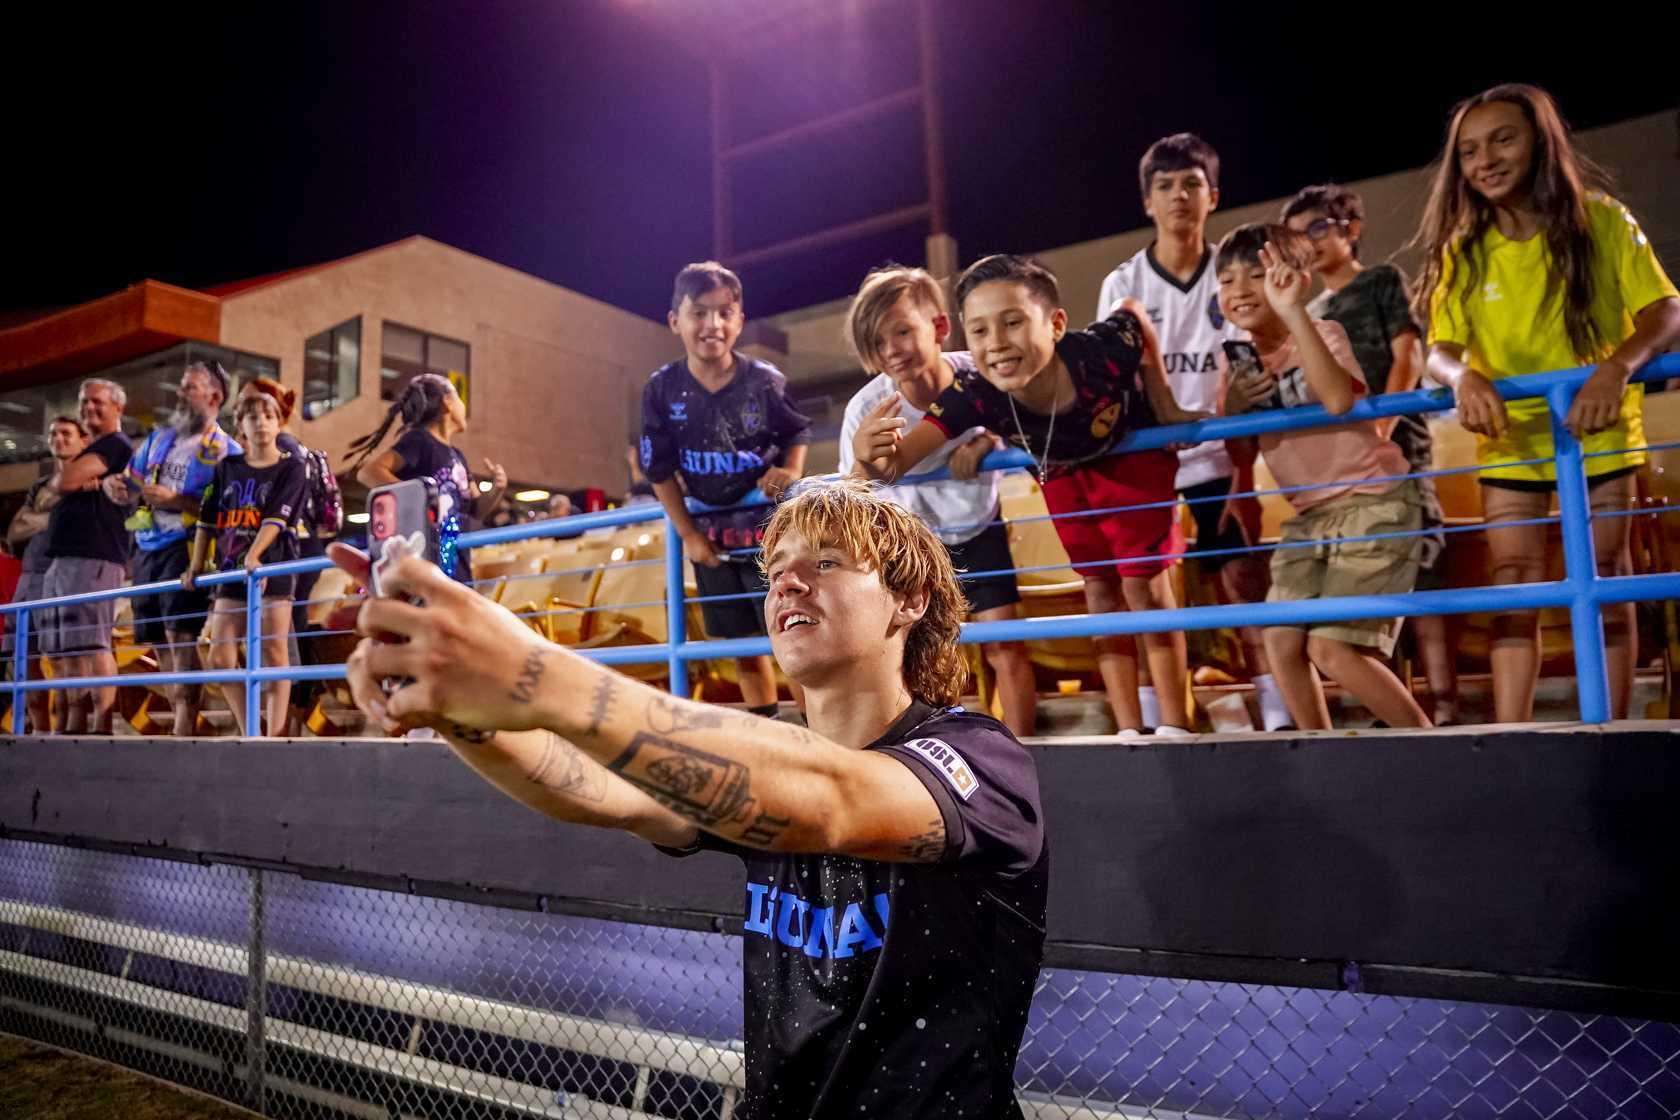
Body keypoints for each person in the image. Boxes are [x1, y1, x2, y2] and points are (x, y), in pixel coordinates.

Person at [328, 478, 1047, 1118]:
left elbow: (830, 799)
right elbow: (590, 785)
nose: (788, 585)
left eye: (826, 562)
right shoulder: (763, 746)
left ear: (910, 599)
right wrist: (458, 708)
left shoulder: (980, 759)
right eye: (774, 573)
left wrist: (535, 674)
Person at [852, 254, 1205, 737]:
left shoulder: (1095, 353)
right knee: (1099, 592)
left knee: (1145, 587)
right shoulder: (975, 391)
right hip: (1060, 471)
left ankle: (1174, 723)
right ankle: (1129, 727)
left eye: (1012, 322)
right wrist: (867, 454)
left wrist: (1165, 403)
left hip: (1129, 459)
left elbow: (1134, 314)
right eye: (978, 331)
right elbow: (895, 464)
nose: (996, 343)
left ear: (1056, 324)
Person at [1415, 84, 1680, 722]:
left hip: (1599, 428)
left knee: (1607, 575)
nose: (1486, 160)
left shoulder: (1604, 221)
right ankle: (1513, 737)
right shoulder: (1462, 249)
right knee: (1515, 582)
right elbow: (1438, 348)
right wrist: (1462, 377)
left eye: (1503, 139)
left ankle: (1611, 731)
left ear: (1540, 140)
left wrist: (1617, 368)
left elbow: (1666, 311)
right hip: (1511, 436)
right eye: (1470, 150)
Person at [1096, 133, 1286, 732]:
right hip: (1149, 459)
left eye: (1191, 184)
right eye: (1165, 186)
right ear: (1147, 202)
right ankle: (1158, 718)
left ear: (1213, 196)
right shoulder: (1122, 284)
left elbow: (1261, 360)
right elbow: (1113, 378)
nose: (1179, 195)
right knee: (1144, 592)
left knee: (1242, 579)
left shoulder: (1235, 275)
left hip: (1220, 457)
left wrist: (1240, 435)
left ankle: (1279, 711)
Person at [1217, 224, 1430, 730]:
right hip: (1309, 518)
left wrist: (1293, 314)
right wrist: (1236, 403)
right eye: (1226, 281)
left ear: (1296, 281)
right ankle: (1321, 749)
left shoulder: (1322, 332)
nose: (1241, 290)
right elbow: (1238, 450)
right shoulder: (1237, 365)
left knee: (1332, 648)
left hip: (1373, 503)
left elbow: (1338, 400)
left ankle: (1427, 747)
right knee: (1281, 639)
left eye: (1258, 275)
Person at [1282, 184, 1457, 726]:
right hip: (1344, 467)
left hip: (1396, 445)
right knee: (1360, 597)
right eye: (1297, 236)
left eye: (1318, 228)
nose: (1309, 243)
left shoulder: (1380, 281)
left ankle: (1445, 700)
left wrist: (1381, 425)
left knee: (1417, 577)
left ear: (1350, 229)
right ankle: (1390, 701)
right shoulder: (1308, 310)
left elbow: (1408, 351)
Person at [838, 265, 1038, 737]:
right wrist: (866, 462)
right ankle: (933, 759)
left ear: (940, 327)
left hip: (980, 526)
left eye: (903, 331)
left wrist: (988, 441)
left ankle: (1028, 752)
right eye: (878, 341)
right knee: (924, 660)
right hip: (914, 545)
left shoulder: (981, 371)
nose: (892, 350)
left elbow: (1027, 416)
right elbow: (853, 494)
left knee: (1006, 647)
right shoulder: (866, 409)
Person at [641, 261, 812, 719]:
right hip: (713, 544)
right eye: (699, 313)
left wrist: (790, 471)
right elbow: (658, 470)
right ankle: (766, 731)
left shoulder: (765, 381)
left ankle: (818, 738)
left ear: (739, 320)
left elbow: (797, 433)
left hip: (769, 541)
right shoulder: (661, 389)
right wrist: (689, 536)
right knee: (743, 649)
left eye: (723, 313)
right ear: (675, 320)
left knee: (791, 643)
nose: (711, 324)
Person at [104, 360, 239, 736]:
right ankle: (179, 719)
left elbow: (228, 512)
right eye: (181, 387)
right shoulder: (160, 438)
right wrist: (117, 487)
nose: (180, 394)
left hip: (187, 547)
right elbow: (131, 481)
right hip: (146, 546)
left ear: (215, 396)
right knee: (158, 641)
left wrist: (177, 499)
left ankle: (184, 727)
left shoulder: (226, 450)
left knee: (181, 638)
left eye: (190, 388)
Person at [183, 379, 307, 737]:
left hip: (273, 567)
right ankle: (252, 726)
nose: (261, 423)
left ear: (279, 422)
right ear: (241, 425)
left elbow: (278, 518)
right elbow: (207, 519)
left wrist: (255, 555)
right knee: (220, 657)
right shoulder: (227, 467)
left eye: (269, 415)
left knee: (273, 650)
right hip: (230, 571)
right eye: (253, 417)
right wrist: (195, 566)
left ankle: (276, 732)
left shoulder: (291, 467)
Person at [345, 373, 507, 582]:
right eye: (459, 398)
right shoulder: (419, 440)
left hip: (456, 562)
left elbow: (477, 509)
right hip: (426, 561)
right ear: (447, 401)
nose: (463, 407)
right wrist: (420, 498)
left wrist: (496, 489)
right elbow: (369, 472)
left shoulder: (458, 456)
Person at [40, 379, 133, 734]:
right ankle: (73, 721)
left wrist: (72, 480)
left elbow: (61, 482)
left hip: (95, 555)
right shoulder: (92, 451)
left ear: (118, 408)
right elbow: (52, 488)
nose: (88, 408)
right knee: (64, 648)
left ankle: (102, 723)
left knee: (92, 642)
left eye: (97, 402)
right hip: (63, 557)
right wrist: (76, 480)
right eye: (84, 402)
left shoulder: (116, 445)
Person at [5, 416, 86, 732]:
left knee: (63, 658)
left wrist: (39, 518)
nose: (59, 438)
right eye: (53, 434)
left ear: (83, 440)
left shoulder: (85, 482)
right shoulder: (39, 486)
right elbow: (14, 530)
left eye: (67, 433)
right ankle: (38, 728)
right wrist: (55, 516)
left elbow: (35, 523)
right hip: (30, 576)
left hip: (64, 574)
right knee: (24, 658)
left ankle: (63, 728)